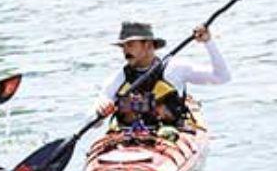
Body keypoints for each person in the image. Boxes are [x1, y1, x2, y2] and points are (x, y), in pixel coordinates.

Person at [93, 21, 231, 136]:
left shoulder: (175, 69)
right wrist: (100, 110)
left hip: (171, 135)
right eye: (123, 46)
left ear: (148, 45)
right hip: (129, 138)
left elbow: (222, 77)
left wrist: (208, 42)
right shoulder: (118, 78)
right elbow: (95, 119)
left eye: (130, 45)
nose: (125, 51)